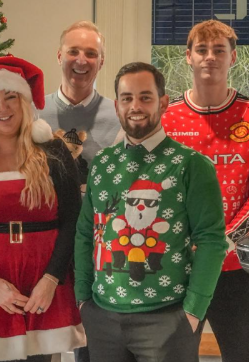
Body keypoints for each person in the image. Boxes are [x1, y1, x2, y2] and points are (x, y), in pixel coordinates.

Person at [75, 62, 228, 362]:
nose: (136, 106)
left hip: (167, 319)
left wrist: (193, 312)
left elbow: (212, 241)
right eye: (127, 98)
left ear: (163, 102)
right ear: (117, 104)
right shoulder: (103, 163)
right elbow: (85, 232)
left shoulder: (191, 165)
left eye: (146, 97)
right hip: (103, 317)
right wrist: (82, 297)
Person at [0, 56, 86, 362]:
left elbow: (73, 219)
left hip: (44, 280)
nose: (2, 108)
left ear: (25, 103)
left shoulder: (54, 151)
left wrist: (52, 279)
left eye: (11, 98)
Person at [161, 20, 249, 362]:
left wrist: (224, 241)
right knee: (175, 356)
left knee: (244, 355)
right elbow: (158, 187)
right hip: (180, 267)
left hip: (236, 268)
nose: (209, 57)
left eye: (219, 50)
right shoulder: (167, 118)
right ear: (188, 57)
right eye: (201, 50)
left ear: (234, 58)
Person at [41, 21, 121, 193]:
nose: (81, 60)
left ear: (101, 62)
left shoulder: (119, 116)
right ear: (59, 56)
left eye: (91, 54)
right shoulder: (34, 113)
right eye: (73, 52)